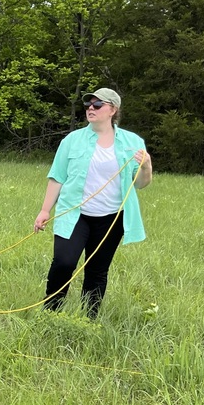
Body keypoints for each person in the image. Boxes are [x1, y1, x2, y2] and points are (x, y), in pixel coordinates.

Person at [33, 88, 153, 318]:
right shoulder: (72, 140)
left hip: (111, 218)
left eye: (98, 105)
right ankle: (50, 314)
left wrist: (147, 166)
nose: (91, 108)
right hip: (74, 214)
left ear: (112, 110)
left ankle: (89, 319)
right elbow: (57, 177)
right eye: (88, 104)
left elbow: (141, 184)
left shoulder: (133, 142)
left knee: (97, 271)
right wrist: (45, 210)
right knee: (64, 263)